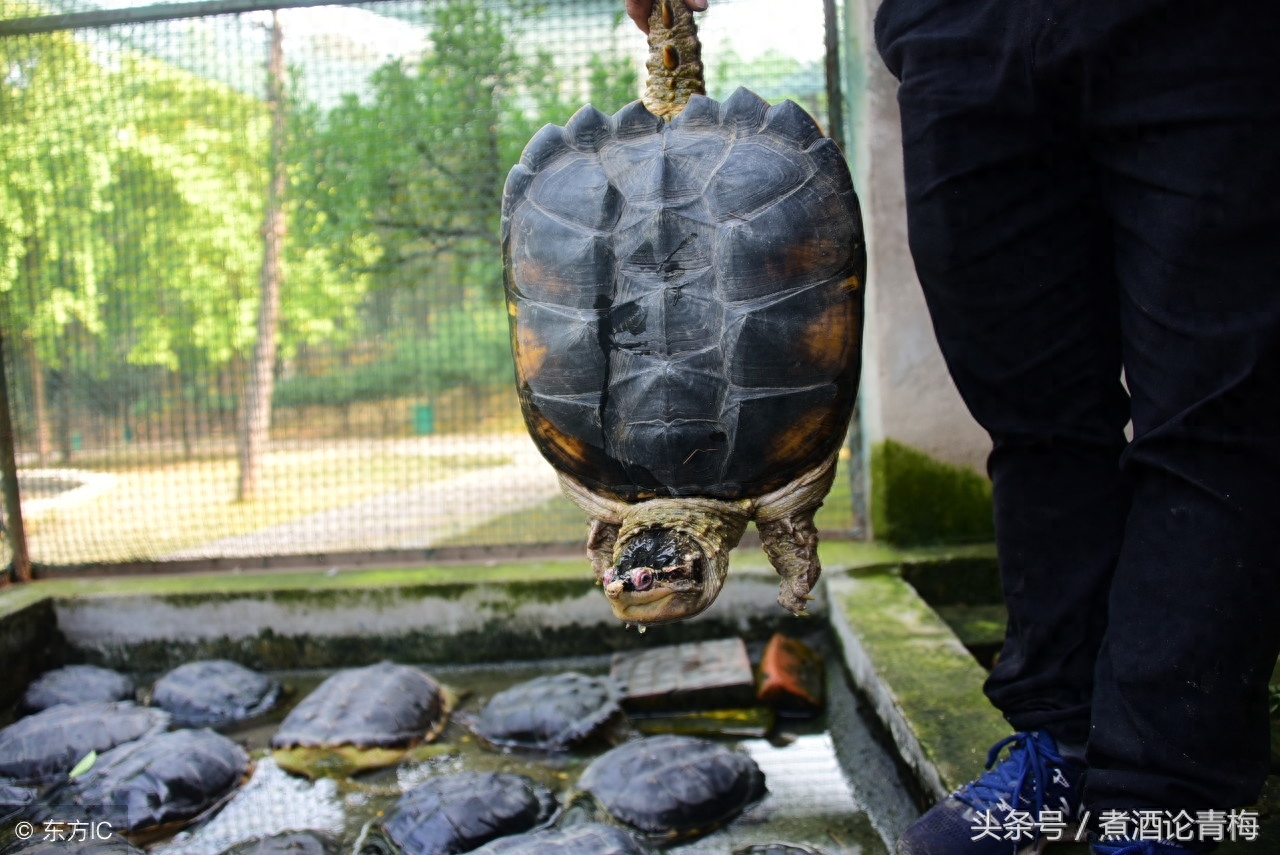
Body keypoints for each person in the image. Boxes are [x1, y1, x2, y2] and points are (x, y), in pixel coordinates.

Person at [627, 1, 1280, 853]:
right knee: (1034, 415)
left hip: (1203, 28)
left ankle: (1164, 795)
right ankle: (1065, 742)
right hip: (958, 26)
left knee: (1211, 418)